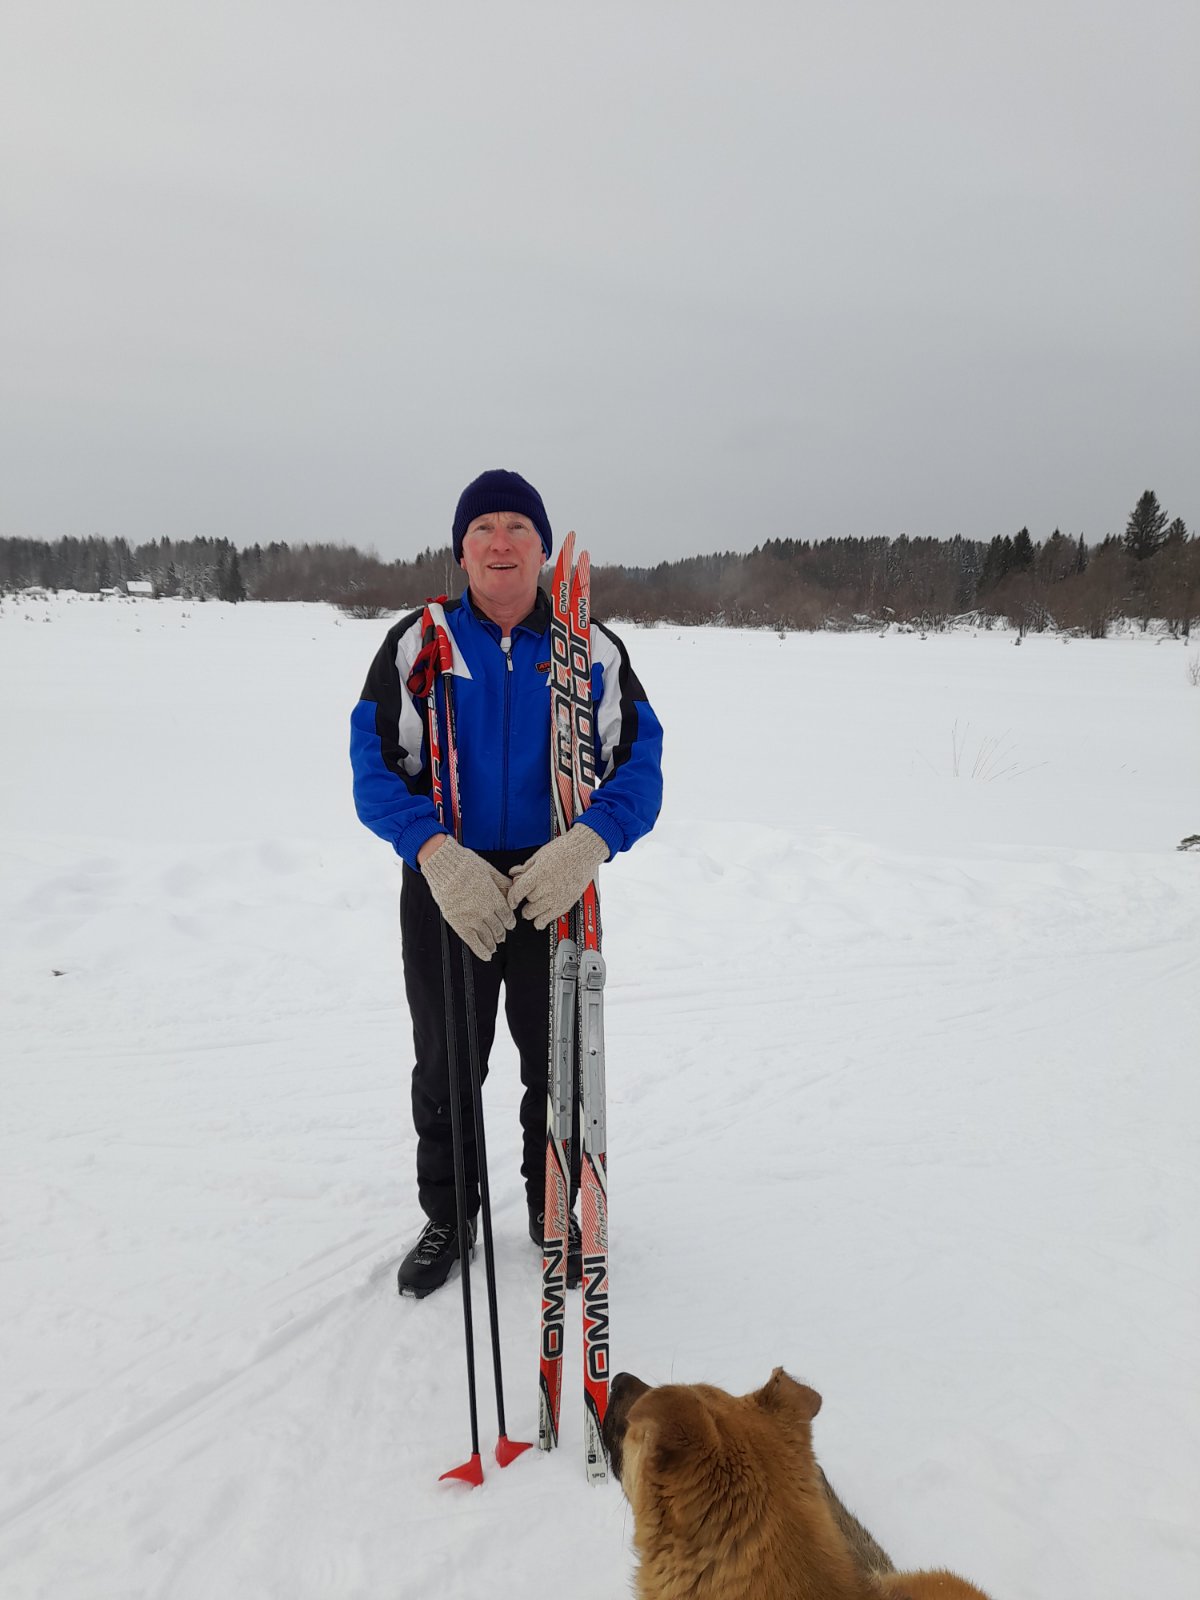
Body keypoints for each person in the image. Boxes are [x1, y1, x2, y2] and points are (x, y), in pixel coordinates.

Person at [351, 469, 664, 1297]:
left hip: (551, 876)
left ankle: (549, 1200)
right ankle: (450, 1215)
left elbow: (640, 761)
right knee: (448, 1060)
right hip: (448, 880)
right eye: (483, 528)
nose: (500, 542)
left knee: (554, 1059)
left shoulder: (588, 648)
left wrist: (590, 841)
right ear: (461, 550)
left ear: (539, 549)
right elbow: (375, 766)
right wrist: (434, 854)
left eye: (517, 529)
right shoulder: (420, 643)